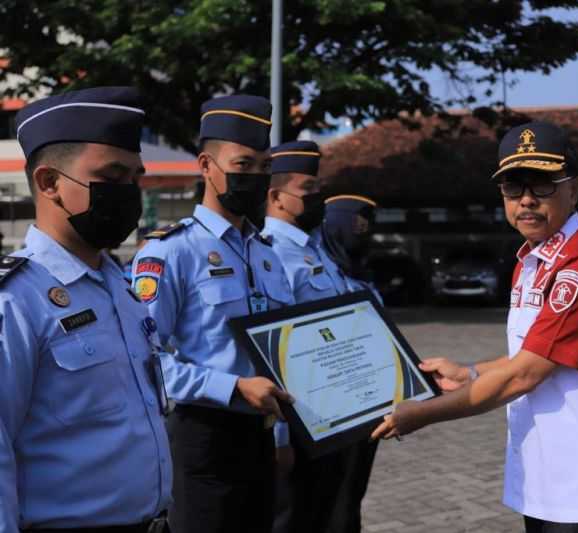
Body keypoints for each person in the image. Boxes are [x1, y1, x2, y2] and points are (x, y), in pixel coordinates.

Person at [372, 121, 578, 533]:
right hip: (548, 471)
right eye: (512, 188)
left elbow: (525, 374)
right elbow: (530, 355)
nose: (526, 201)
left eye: (542, 185)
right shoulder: (532, 260)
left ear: (573, 190)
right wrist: (469, 372)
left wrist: (422, 414)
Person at [0, 87, 172, 532]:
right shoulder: (17, 299)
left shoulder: (119, 285)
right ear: (49, 182)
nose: (129, 192)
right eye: (112, 175)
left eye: (135, 177)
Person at [131, 95, 294, 533]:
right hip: (202, 438)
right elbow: (146, 363)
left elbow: (284, 352)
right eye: (243, 165)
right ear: (206, 165)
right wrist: (232, 387)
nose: (256, 177)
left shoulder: (267, 255)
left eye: (264, 167)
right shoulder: (171, 251)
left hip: (261, 438)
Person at [262, 141, 350, 533]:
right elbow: (274, 351)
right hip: (300, 420)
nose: (319, 198)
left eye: (319, 188)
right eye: (308, 190)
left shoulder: (315, 248)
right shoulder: (271, 253)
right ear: (276, 197)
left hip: (337, 411)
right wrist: (280, 435)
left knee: (329, 515)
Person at [317, 195, 383, 533]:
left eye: (367, 226)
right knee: (331, 507)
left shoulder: (361, 272)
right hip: (328, 412)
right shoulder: (313, 270)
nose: (364, 232)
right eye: (356, 225)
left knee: (351, 498)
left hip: (368, 405)